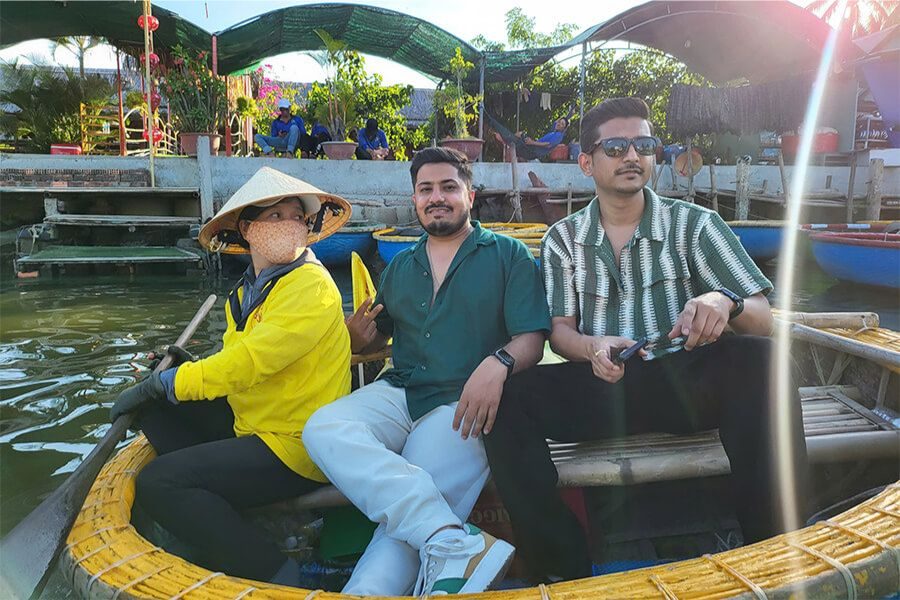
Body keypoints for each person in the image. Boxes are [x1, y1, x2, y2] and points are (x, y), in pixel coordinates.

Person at [483, 97, 809, 582]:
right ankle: (564, 567)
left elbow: (763, 316)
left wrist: (725, 304)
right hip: (603, 385)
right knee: (505, 401)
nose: (631, 156)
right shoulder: (563, 239)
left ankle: (776, 549)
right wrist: (592, 347)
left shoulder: (694, 225)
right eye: (615, 146)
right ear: (587, 162)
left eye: (644, 144)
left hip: (683, 383)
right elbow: (561, 331)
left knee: (763, 359)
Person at [302, 147, 551, 596]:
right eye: (426, 190)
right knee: (323, 428)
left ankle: (367, 591)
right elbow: (380, 336)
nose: (437, 198)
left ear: (469, 195)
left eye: (448, 187)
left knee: (413, 491)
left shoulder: (508, 255)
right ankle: (449, 539)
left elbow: (532, 338)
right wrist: (362, 340)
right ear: (415, 199)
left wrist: (500, 362)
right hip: (401, 389)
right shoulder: (401, 266)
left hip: (464, 403)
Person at [109, 166, 353, 586]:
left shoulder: (310, 285)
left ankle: (279, 572)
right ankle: (216, 510)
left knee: (158, 484)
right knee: (152, 410)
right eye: (275, 217)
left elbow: (249, 363)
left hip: (297, 445)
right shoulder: (247, 291)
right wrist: (181, 371)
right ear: (248, 228)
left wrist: (172, 382)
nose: (289, 225)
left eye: (296, 216)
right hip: (252, 423)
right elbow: (234, 358)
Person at [491, 116, 568, 161]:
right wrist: (569, 114)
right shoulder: (554, 132)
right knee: (521, 134)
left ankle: (504, 139)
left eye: (562, 124)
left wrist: (532, 142)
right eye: (559, 122)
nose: (559, 124)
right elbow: (556, 122)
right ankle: (505, 140)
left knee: (520, 137)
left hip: (533, 151)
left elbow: (548, 145)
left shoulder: (559, 136)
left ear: (564, 128)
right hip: (533, 148)